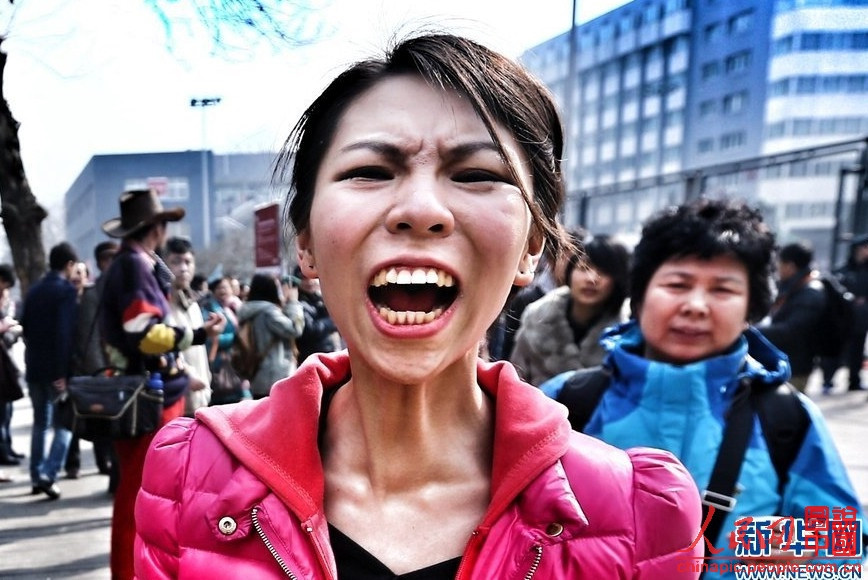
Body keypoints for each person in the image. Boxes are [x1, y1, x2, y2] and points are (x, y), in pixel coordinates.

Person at [135, 33, 702, 578]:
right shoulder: (189, 475)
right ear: (304, 243)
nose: (422, 208)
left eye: (477, 174)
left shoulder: (640, 516)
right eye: (369, 172)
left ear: (532, 248)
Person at [542, 198, 866, 578]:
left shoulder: (785, 417)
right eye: (677, 284)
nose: (696, 305)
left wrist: (779, 548)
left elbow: (847, 543)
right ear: (641, 294)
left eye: (723, 290)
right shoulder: (566, 404)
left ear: (752, 308)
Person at [99, 188, 225, 579]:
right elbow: (144, 333)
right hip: (147, 397)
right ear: (155, 227)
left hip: (146, 393)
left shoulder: (133, 263)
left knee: (147, 495)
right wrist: (196, 336)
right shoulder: (134, 266)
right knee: (141, 496)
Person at [510, 232, 630, 386]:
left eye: (603, 272)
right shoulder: (537, 317)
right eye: (583, 268)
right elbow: (515, 379)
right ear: (570, 271)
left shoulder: (629, 329)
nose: (591, 279)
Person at [20, 242, 80, 500]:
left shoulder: (34, 291)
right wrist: (63, 372)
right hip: (57, 371)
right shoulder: (65, 291)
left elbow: (25, 326)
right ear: (68, 265)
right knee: (66, 423)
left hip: (34, 367)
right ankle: (48, 473)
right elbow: (64, 334)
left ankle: (36, 476)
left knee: (41, 424)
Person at [68, 241, 119, 490]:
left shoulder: (117, 287)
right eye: (108, 258)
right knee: (101, 421)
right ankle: (103, 465)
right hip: (101, 371)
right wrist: (101, 373)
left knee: (112, 425)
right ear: (100, 262)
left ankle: (108, 466)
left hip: (117, 369)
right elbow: (90, 338)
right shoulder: (93, 294)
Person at [757, 242, 826, 393]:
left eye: (779, 263)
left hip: (796, 367)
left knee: (786, 410)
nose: (777, 268)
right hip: (786, 360)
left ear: (790, 266)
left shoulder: (811, 292)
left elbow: (792, 330)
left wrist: (754, 332)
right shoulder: (794, 286)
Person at [163, 236, 212, 415]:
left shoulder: (193, 304)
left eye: (187, 262)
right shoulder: (162, 302)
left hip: (200, 396)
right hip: (176, 398)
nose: (183, 268)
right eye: (176, 262)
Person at [235, 272, 304, 398]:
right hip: (276, 377)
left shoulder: (250, 311)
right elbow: (295, 329)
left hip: (257, 374)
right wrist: (293, 302)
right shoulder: (269, 313)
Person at [200, 275, 250, 404]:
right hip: (220, 361)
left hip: (237, 359)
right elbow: (211, 337)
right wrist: (236, 338)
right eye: (219, 288)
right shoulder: (209, 309)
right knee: (225, 394)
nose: (223, 291)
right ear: (213, 290)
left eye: (226, 287)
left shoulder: (235, 306)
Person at [288, 265, 341, 364]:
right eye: (304, 279)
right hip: (311, 360)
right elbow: (311, 330)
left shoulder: (319, 298)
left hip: (329, 356)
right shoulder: (297, 303)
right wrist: (332, 321)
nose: (310, 282)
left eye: (312, 278)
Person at [837, 234, 868, 392]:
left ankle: (854, 380)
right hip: (846, 315)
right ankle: (829, 379)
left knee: (858, 348)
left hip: (863, 316)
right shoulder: (846, 269)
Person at [0, 263, 23, 468]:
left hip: (5, 365)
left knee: (7, 412)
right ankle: (3, 451)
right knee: (2, 413)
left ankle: (7, 448)